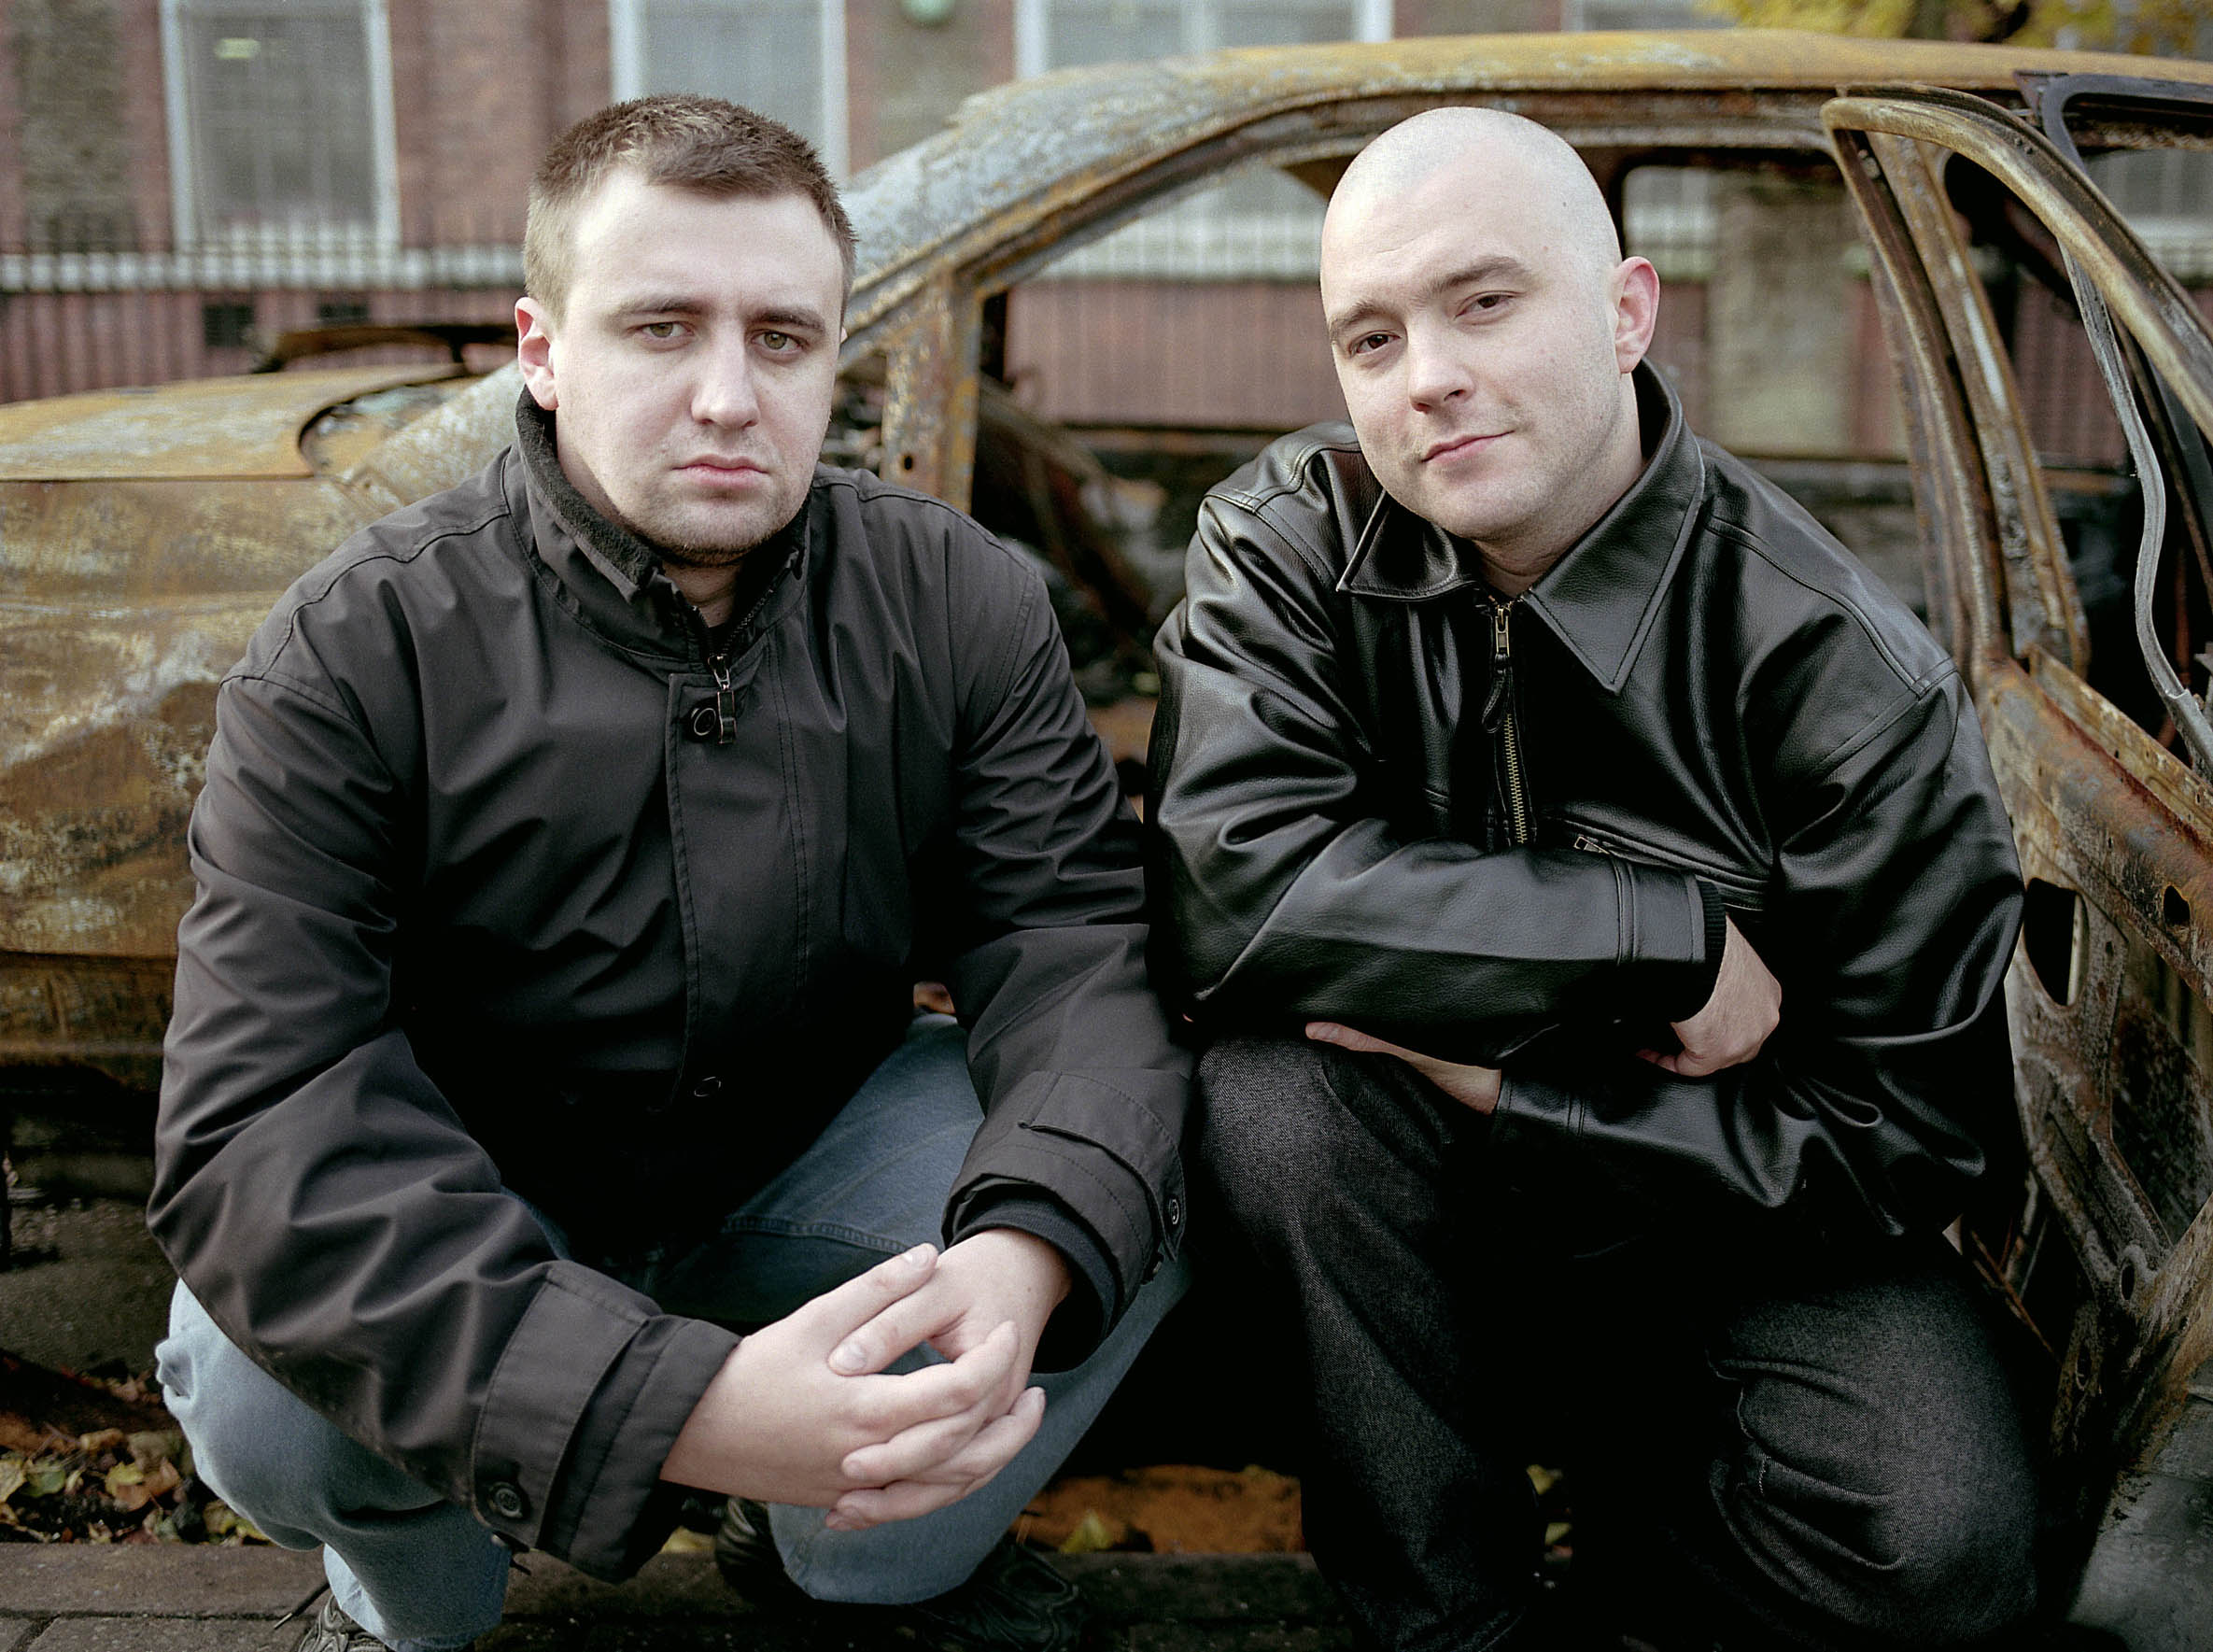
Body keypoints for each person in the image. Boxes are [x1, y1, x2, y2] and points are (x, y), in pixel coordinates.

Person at [148, 95, 1191, 1652]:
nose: (726, 395)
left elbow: (1073, 951)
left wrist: (1026, 1250)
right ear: (542, 349)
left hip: (806, 1151)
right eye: (659, 327)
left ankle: (855, 1560)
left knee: (1126, 1173)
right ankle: (408, 1596)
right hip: (478, 1195)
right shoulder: (357, 647)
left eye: (782, 338)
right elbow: (259, 1123)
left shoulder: (958, 600)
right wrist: (683, 1406)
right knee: (257, 1380)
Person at [1147, 107, 2039, 1650]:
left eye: (1483, 302)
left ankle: (1632, 1584)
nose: (1425, 375)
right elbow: (1229, 894)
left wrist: (1526, 1096)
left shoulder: (1842, 673)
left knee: (1938, 1540)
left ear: (1626, 312)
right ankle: (1449, 1625)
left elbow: (1899, 1144)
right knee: (1271, 1101)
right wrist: (1657, 935)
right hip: (1401, 1197)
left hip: (1717, 1214)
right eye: (1370, 337)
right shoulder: (1287, 540)